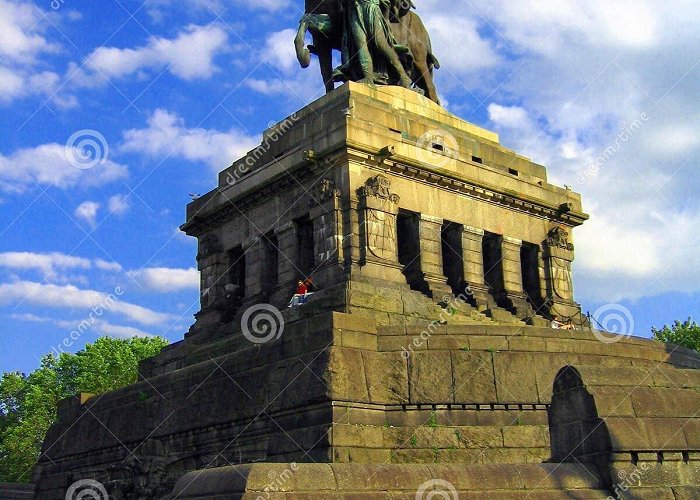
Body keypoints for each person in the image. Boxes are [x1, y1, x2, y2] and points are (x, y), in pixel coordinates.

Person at [334, 0, 413, 88]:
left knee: (381, 43)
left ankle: (403, 76)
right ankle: (368, 77)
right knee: (361, 46)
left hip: (370, 6)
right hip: (353, 10)